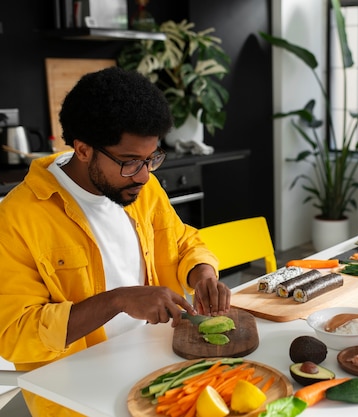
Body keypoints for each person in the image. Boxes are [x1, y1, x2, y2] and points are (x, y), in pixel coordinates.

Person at [0, 67, 230, 416]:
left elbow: (182, 240)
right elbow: (15, 335)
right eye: (129, 162)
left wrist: (202, 273)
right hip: (77, 393)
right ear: (82, 149)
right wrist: (119, 300)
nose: (143, 175)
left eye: (151, 158)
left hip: (159, 360)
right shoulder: (17, 216)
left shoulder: (144, 186)